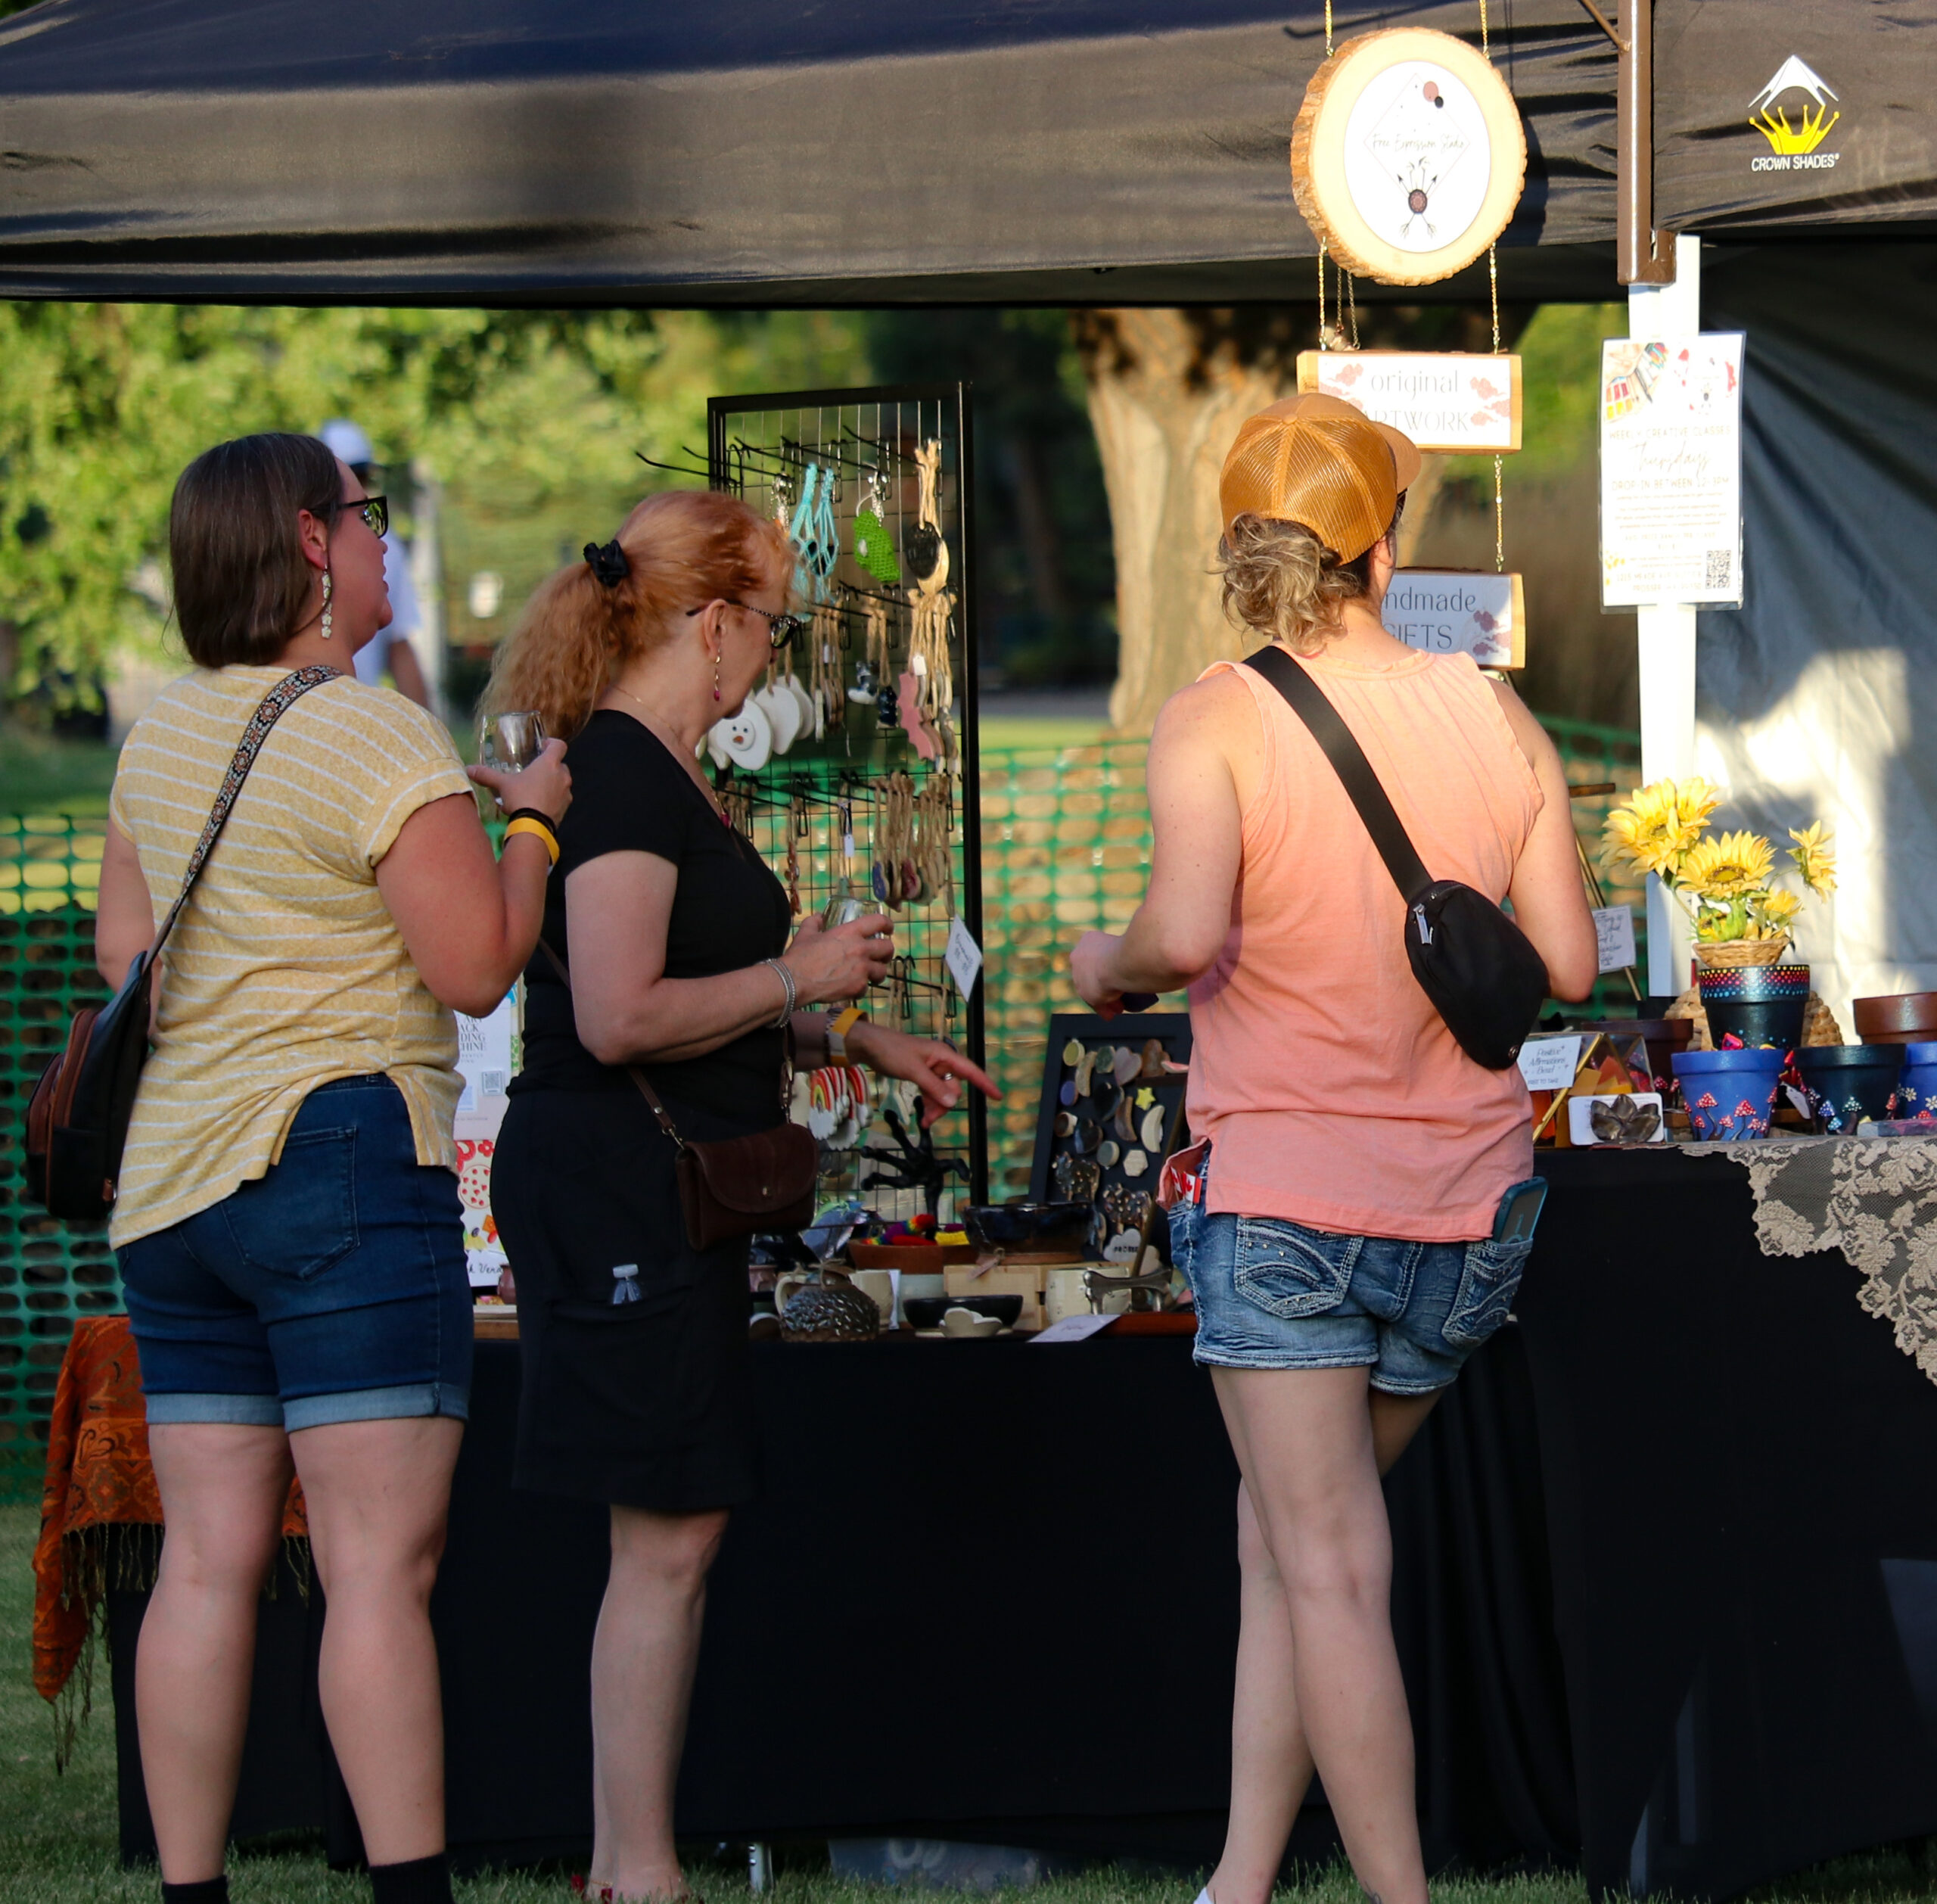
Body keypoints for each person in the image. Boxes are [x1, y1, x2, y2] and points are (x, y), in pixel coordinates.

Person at [1071, 396, 1597, 1904]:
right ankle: (1238, 1877)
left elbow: (1177, 937)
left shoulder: (1215, 715)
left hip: (1292, 1208)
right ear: (1380, 540)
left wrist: (1094, 954)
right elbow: (1563, 962)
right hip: (1465, 1216)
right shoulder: (1494, 716)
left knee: (1324, 1563)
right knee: (1284, 1540)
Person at [484, 487, 1000, 1904]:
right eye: (772, 623)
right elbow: (615, 1012)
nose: (775, 653)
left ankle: (624, 1862)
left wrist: (847, 1032)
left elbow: (674, 1000)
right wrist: (799, 979)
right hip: (619, 1189)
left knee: (676, 1530)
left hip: (656, 1187)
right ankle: (634, 1868)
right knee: (667, 1533)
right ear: (712, 626)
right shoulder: (632, 781)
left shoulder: (651, 771)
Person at [95, 431, 571, 1904]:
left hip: (174, 1192)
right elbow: (480, 966)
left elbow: (126, 962)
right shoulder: (376, 735)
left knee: (207, 1563)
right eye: (367, 520)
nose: (385, 547)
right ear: (310, 542)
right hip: (345, 1171)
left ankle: (191, 1893)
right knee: (374, 1571)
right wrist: (538, 820)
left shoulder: (162, 729)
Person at [318, 418, 433, 708]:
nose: (358, 484)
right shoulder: (292, 543)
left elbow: (400, 645)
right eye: (345, 475)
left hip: (356, 708)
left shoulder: (386, 544)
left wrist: (427, 732)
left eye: (363, 475)